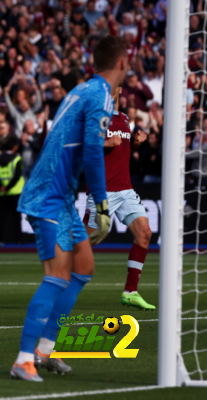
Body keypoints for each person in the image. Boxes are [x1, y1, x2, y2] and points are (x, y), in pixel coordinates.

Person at [12, 36, 128, 381]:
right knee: (58, 276)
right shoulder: (101, 96)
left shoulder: (81, 89)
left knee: (84, 268)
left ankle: (45, 351)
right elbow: (92, 153)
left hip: (60, 195)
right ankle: (22, 359)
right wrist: (103, 204)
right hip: (48, 194)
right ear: (122, 62)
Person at [83, 87, 154, 310]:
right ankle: (57, 278)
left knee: (144, 233)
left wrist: (136, 144)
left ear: (119, 90)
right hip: (101, 190)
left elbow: (121, 152)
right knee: (84, 244)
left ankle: (130, 292)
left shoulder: (123, 118)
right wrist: (104, 143)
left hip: (125, 189)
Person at [0, 134, 25, 244]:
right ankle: (18, 240)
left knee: (1, 217)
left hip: (3, 193)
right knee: (16, 218)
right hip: (16, 191)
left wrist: (2, 187)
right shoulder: (17, 159)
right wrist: (8, 187)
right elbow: (17, 176)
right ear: (15, 147)